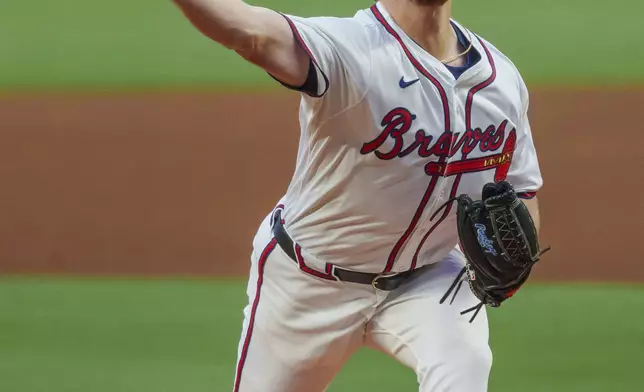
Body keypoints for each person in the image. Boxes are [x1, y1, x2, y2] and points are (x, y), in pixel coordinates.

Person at [172, 0, 543, 391]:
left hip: (430, 279)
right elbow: (251, 34)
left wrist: (512, 256)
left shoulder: (501, 78)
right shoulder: (347, 48)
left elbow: (521, 189)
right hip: (308, 283)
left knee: (465, 362)